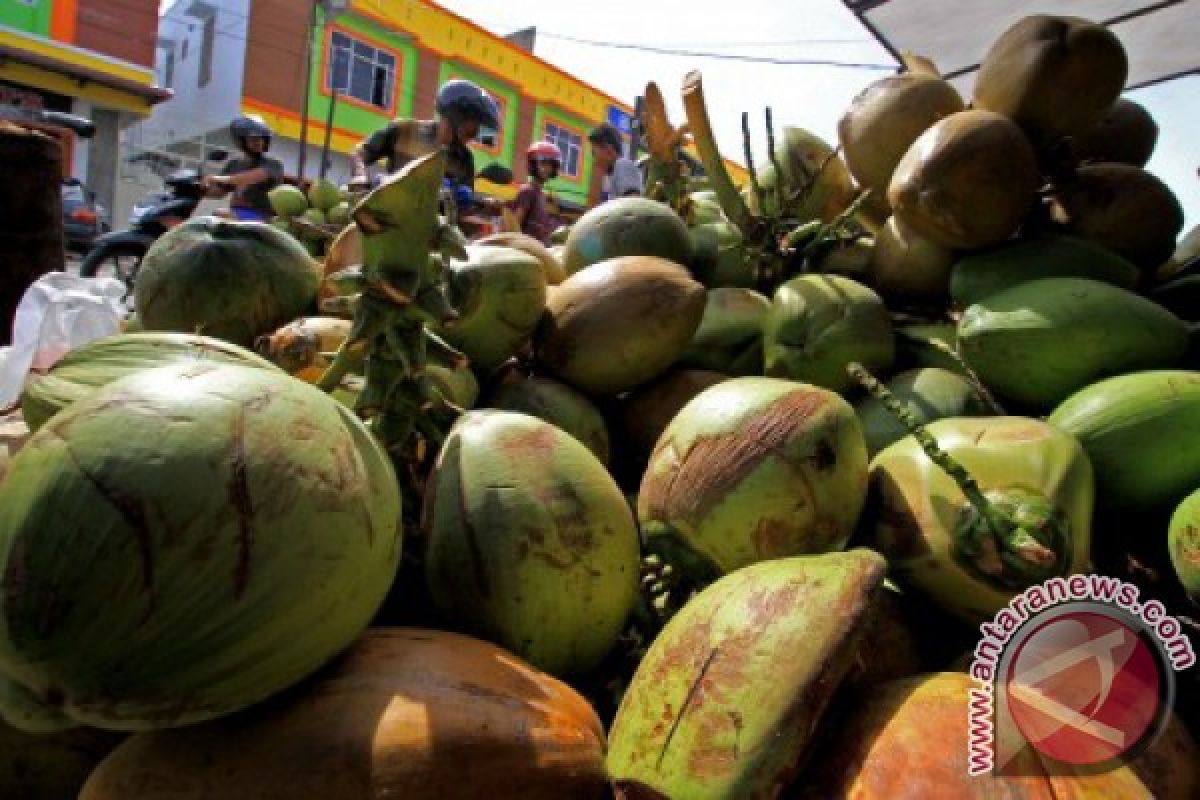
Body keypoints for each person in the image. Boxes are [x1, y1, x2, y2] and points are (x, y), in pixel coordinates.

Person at [350, 79, 500, 196]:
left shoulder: (464, 160)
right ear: (456, 118)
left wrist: (477, 205)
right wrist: (360, 176)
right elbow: (360, 152)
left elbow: (461, 211)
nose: (472, 138)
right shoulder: (404, 130)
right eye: (470, 132)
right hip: (387, 221)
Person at [204, 115, 284, 222]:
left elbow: (250, 178)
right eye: (253, 139)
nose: (259, 142)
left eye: (262, 138)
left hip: (264, 217)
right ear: (241, 141)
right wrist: (199, 187)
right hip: (237, 213)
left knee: (220, 215)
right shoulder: (234, 164)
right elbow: (218, 193)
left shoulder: (273, 164)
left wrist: (216, 178)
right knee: (210, 221)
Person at [508, 141, 562, 244]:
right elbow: (514, 227)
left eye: (551, 165)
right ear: (532, 165)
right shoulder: (528, 191)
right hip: (525, 252)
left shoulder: (542, 195)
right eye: (543, 163)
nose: (547, 169)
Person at [589, 122, 643, 203]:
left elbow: (632, 207)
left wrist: (597, 175)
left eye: (594, 152)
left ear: (608, 150)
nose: (594, 158)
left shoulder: (622, 165)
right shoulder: (610, 176)